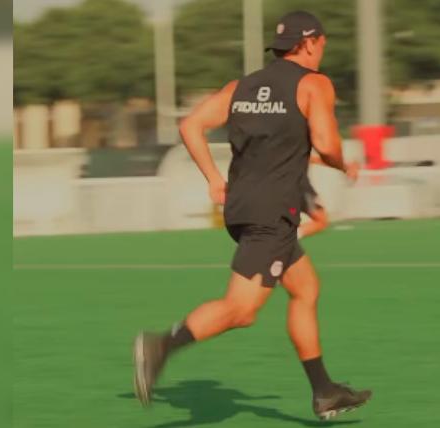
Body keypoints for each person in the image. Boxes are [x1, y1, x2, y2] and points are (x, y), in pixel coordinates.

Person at [133, 10, 371, 421]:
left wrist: (212, 178)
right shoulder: (315, 85)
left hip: (243, 207)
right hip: (273, 211)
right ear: (310, 42)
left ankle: (324, 391)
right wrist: (342, 163)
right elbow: (327, 143)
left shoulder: (240, 87)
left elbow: (191, 125)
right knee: (240, 310)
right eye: (323, 45)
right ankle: (161, 346)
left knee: (305, 289)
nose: (322, 53)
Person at [297, 154, 359, 240]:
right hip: (301, 189)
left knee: (288, 222)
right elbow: (317, 157)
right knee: (321, 221)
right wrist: (345, 167)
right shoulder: (297, 148)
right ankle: (290, 239)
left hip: (281, 191)